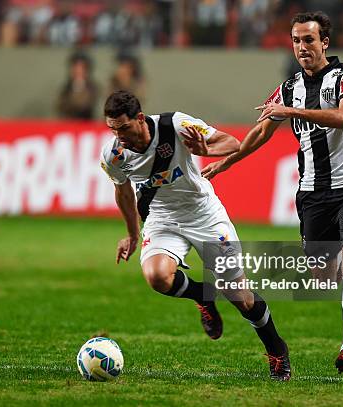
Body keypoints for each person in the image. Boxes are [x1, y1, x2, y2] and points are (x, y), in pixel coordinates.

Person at [202, 11, 343, 376]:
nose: (302, 47)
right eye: (297, 41)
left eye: (309, 40)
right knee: (322, 277)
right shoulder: (288, 88)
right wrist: (227, 162)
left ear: (325, 42)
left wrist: (290, 111)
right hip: (313, 193)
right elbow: (262, 131)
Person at [100, 90, 291, 381]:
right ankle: (203, 294)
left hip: (204, 215)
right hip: (163, 220)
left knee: (240, 297)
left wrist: (207, 149)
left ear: (140, 118)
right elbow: (122, 192)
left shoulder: (175, 125)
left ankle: (276, 348)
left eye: (124, 128)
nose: (119, 136)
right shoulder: (113, 154)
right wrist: (132, 234)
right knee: (157, 276)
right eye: (113, 129)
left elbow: (232, 142)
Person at [55, 51, 100, 120]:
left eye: (82, 68)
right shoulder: (65, 88)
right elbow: (60, 107)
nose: (78, 71)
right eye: (75, 67)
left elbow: (87, 105)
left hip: (87, 125)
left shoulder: (93, 88)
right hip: (68, 125)